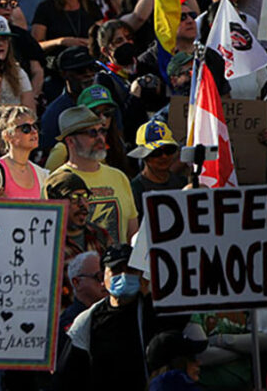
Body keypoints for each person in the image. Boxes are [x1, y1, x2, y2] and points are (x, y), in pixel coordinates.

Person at [56, 244, 159, 391]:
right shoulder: (87, 321)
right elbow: (70, 375)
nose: (124, 275)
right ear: (103, 278)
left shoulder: (153, 313)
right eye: (116, 270)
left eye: (131, 270)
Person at [53, 106, 138, 244]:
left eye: (102, 131)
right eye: (92, 133)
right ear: (70, 141)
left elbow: (133, 234)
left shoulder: (119, 177)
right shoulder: (56, 182)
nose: (100, 138)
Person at [45, 170, 113, 285]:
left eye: (85, 196)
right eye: (74, 197)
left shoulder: (99, 235)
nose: (82, 204)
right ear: (56, 203)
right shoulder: (48, 243)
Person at [0, 104, 48, 197]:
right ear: (7, 135)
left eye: (35, 126)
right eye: (26, 128)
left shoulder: (41, 175)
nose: (34, 131)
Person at [127, 121, 184, 219]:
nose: (164, 156)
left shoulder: (182, 183)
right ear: (144, 155)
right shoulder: (135, 190)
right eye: (157, 152)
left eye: (169, 150)